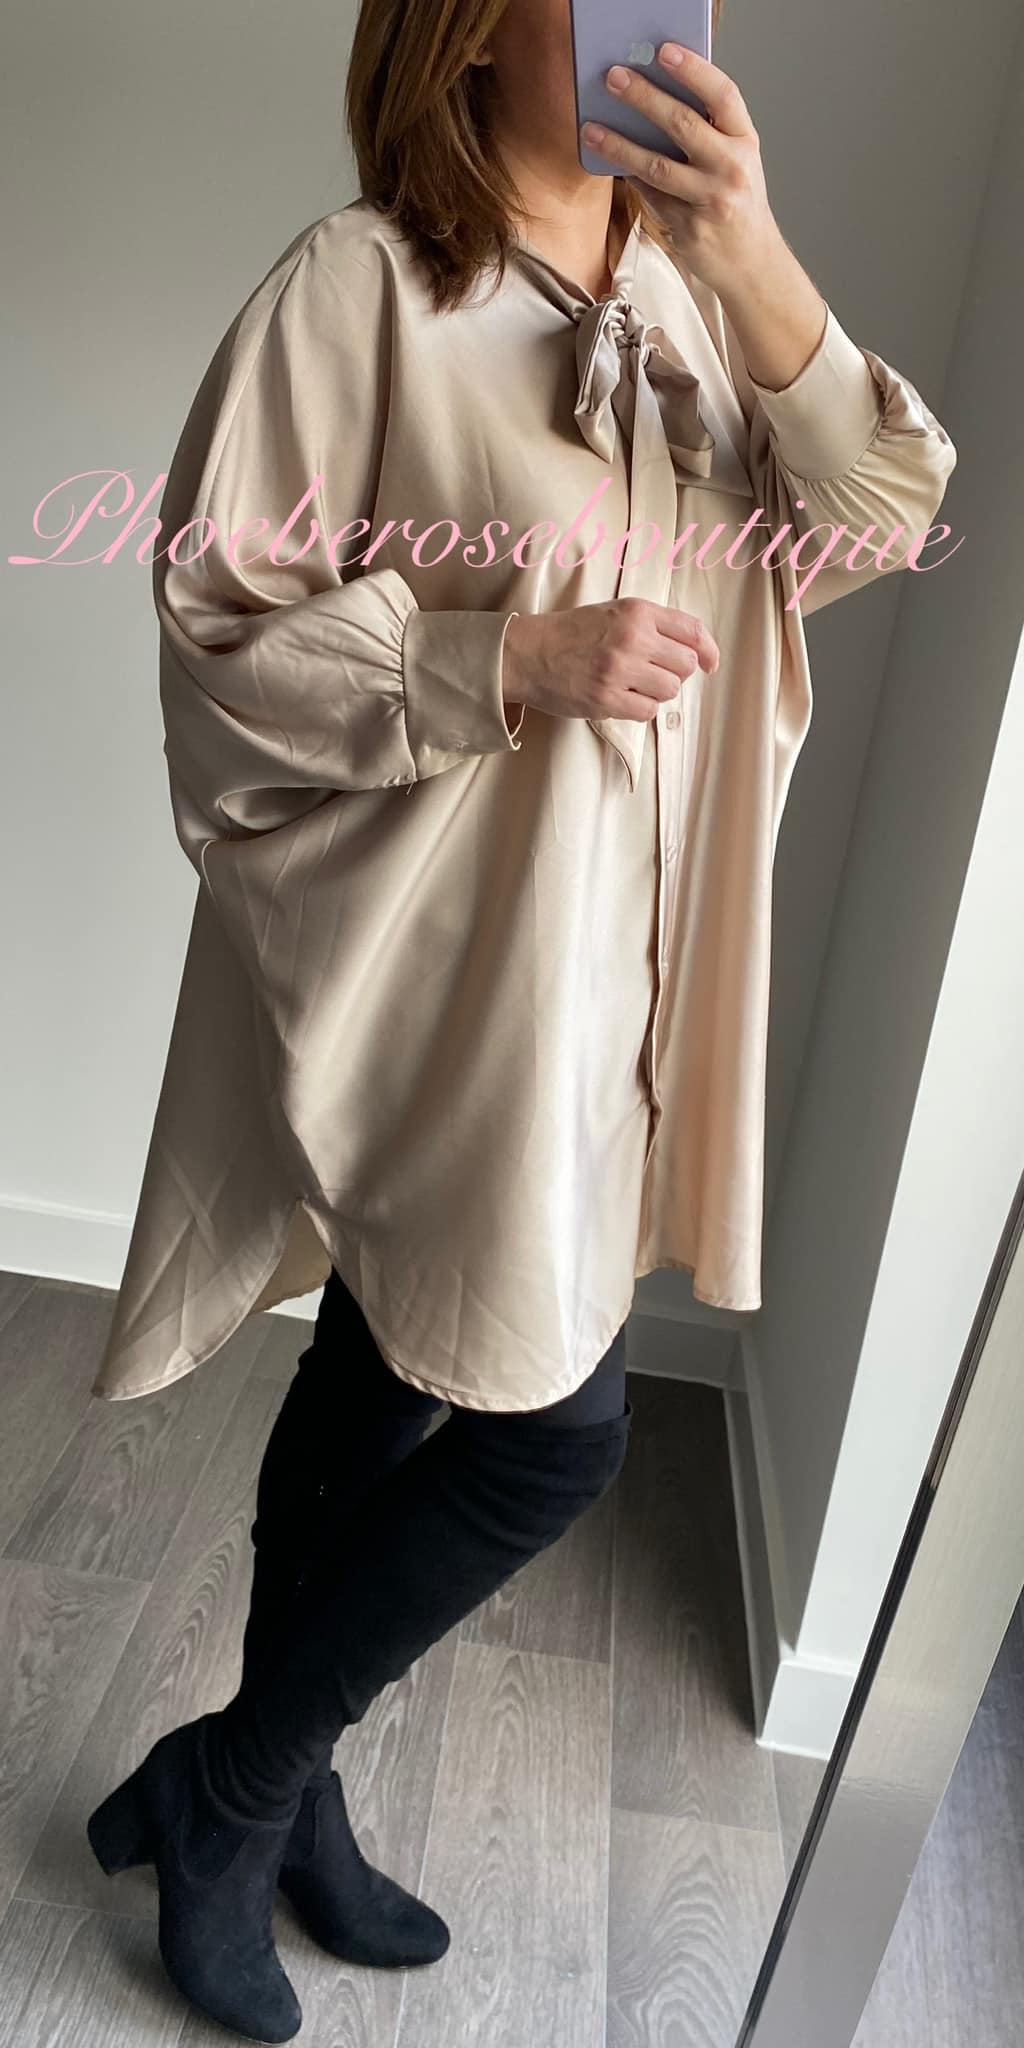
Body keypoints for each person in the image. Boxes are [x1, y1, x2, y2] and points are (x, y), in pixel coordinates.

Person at [85, 0, 957, 2038]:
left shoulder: (693, 288)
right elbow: (217, 637)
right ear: (475, 29)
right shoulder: (358, 293)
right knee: (550, 1439)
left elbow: (879, 519)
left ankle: (274, 1784)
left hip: (622, 972)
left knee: (383, 1369)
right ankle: (233, 1789)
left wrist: (753, 257)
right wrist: (503, 658)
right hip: (448, 975)